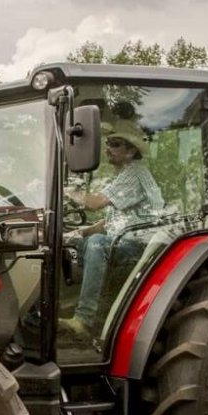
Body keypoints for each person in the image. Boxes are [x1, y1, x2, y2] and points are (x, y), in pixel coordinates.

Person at [62, 111, 162, 338]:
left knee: (96, 244)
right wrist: (75, 233)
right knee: (70, 243)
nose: (108, 148)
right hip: (127, 240)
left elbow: (95, 203)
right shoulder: (123, 177)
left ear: (131, 151)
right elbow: (110, 223)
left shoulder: (134, 173)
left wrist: (67, 191)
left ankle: (84, 319)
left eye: (115, 144)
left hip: (142, 247)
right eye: (108, 143)